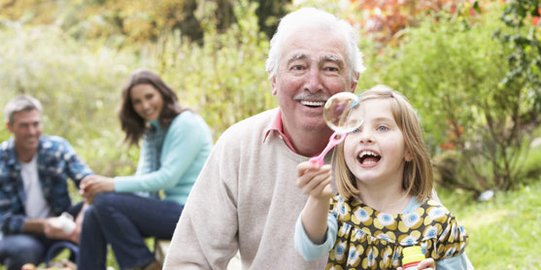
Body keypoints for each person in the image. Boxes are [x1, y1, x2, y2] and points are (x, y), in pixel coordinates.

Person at [164, 7, 365, 269]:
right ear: (274, 80)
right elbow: (190, 260)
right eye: (298, 66)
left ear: (352, 83)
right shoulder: (238, 146)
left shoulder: (380, 146)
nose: (313, 83)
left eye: (330, 68)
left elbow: (427, 232)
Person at [294, 86, 473, 269]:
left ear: (409, 149)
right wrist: (317, 198)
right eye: (355, 129)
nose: (366, 137)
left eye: (381, 127)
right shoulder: (339, 212)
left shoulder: (437, 224)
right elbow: (309, 249)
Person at [77, 69, 213, 270]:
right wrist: (99, 191)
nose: (145, 106)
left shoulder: (186, 123)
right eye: (137, 102)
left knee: (105, 202)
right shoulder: (153, 130)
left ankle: (143, 265)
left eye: (149, 97)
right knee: (94, 212)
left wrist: (110, 185)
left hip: (193, 215)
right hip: (171, 211)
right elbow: (143, 181)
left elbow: (168, 178)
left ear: (163, 93)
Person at [0, 95, 93, 270]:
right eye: (24, 126)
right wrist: (45, 225)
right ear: (10, 127)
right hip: (18, 236)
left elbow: (90, 183)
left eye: (36, 124)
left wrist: (81, 221)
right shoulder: (2, 161)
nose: (32, 131)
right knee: (25, 250)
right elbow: (4, 220)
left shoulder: (57, 148)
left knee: (96, 210)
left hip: (61, 223)